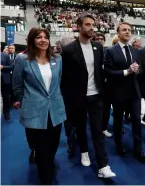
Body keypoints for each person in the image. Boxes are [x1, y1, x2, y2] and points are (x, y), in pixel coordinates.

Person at [61, 14, 115, 178]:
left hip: (96, 96)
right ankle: (84, 151)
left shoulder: (98, 48)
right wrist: (68, 98)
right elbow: (65, 78)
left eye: (93, 25)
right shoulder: (69, 50)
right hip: (77, 97)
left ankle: (103, 166)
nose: (92, 28)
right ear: (79, 27)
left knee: (97, 130)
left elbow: (99, 72)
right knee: (80, 128)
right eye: (88, 25)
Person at [12, 27, 66, 184]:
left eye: (45, 37)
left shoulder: (58, 59)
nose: (43, 40)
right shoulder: (23, 59)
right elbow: (17, 84)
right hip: (34, 111)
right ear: (32, 40)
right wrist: (25, 101)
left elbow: (59, 83)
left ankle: (46, 161)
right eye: (38, 37)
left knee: (54, 144)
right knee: (42, 148)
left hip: (55, 110)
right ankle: (46, 177)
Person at [104, 22, 145, 163]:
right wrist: (126, 71)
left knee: (136, 121)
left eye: (129, 30)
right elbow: (108, 72)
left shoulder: (136, 51)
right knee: (118, 122)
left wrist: (137, 70)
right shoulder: (110, 51)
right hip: (118, 93)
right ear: (118, 32)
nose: (127, 32)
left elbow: (139, 71)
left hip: (134, 93)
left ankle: (138, 150)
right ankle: (119, 146)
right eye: (124, 30)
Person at [1, 51, 12, 120]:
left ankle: (6, 113)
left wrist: (3, 67)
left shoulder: (5, 55)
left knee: (6, 98)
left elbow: (10, 66)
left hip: (4, 80)